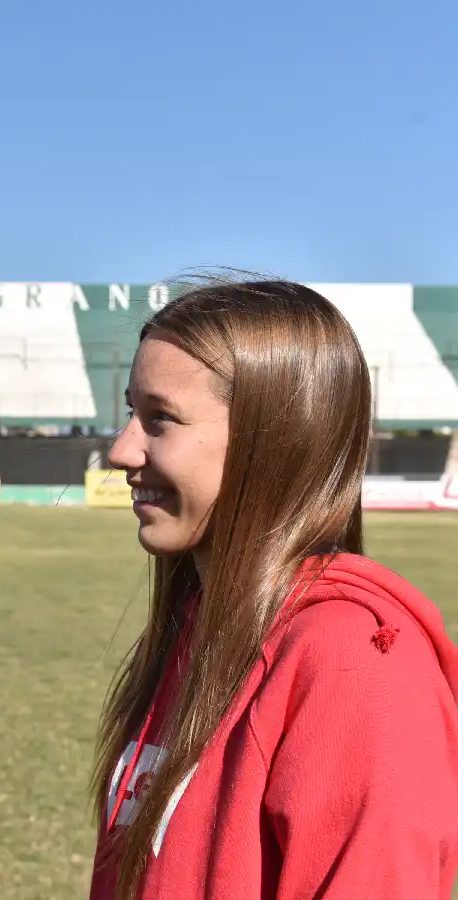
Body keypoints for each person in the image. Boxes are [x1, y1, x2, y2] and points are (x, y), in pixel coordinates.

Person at [88, 277, 458, 899]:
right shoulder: (201, 625)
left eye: (161, 420)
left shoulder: (353, 662)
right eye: (131, 412)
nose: (123, 450)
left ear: (274, 437)